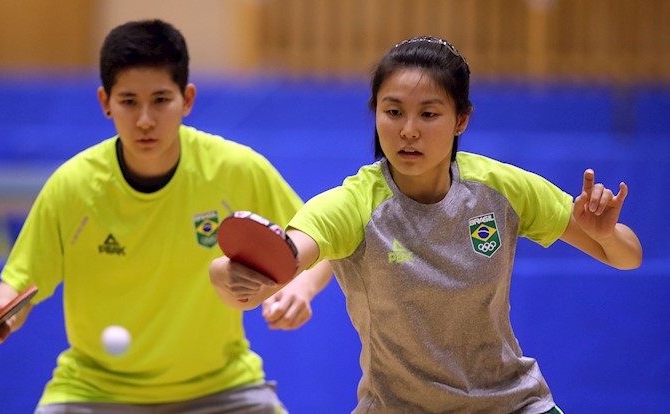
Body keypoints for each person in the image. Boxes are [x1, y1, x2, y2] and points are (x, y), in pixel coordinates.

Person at [209, 36, 643, 413]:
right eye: (393, 112)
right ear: (376, 113)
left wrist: (604, 234)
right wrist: (228, 275)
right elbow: (284, 260)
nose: (408, 130)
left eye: (429, 114)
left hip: (513, 404)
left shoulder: (501, 188)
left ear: (461, 120)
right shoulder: (354, 203)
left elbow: (627, 257)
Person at [0, 19, 332, 413]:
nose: (145, 119)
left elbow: (320, 239)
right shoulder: (73, 186)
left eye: (160, 100)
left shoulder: (234, 170)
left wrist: (301, 288)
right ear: (105, 102)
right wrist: (0, 309)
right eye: (129, 101)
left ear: (187, 99)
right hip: (93, 391)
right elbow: (21, 281)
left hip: (222, 389)